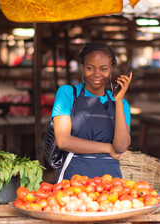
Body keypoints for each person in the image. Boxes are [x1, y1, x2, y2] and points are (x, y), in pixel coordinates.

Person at [51, 42, 132, 182]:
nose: (96, 74)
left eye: (103, 69)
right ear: (82, 67)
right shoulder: (68, 93)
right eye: (90, 68)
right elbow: (63, 141)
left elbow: (120, 147)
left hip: (111, 183)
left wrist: (118, 101)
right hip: (73, 180)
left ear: (111, 69)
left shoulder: (122, 104)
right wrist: (107, 148)